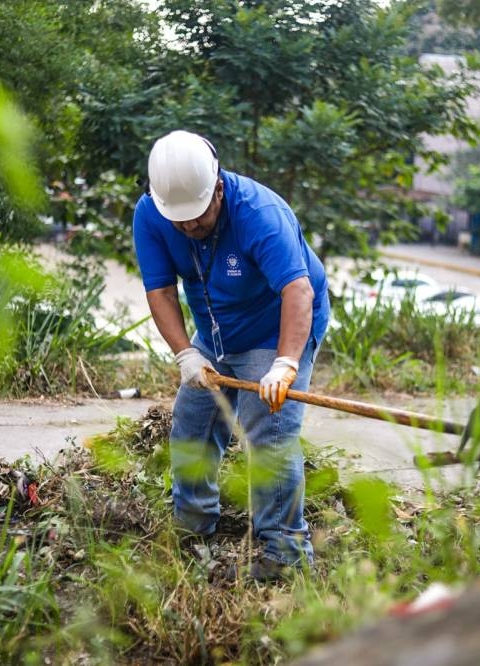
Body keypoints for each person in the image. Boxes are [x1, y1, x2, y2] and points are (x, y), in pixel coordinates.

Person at [132, 130, 331, 580]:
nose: (187, 228)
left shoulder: (260, 214)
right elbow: (160, 290)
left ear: (218, 187)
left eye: (196, 219)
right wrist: (186, 354)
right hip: (216, 330)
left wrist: (284, 365)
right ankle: (193, 524)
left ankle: (286, 555)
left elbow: (297, 291)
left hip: (275, 324)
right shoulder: (151, 214)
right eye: (178, 220)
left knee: (269, 427)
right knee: (192, 418)